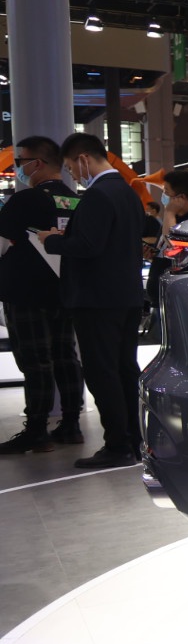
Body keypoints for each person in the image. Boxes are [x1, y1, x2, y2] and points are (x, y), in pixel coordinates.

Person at [37, 133, 146, 469]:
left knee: (102, 372)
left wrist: (51, 241)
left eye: (71, 167)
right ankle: (134, 440)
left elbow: (88, 246)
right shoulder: (127, 192)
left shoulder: (99, 194)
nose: (73, 174)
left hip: (98, 299)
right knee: (124, 369)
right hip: (125, 296)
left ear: (83, 158)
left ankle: (117, 445)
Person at [0, 136, 85, 453]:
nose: (18, 168)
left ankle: (37, 430)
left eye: (20, 162)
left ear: (36, 163)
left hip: (25, 291)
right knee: (66, 356)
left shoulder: (25, 200)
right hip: (65, 291)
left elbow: (1, 243)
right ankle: (71, 425)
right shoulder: (76, 201)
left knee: (35, 360)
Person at [143, 169, 188, 331]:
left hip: (182, 303)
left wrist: (170, 212)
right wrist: (153, 256)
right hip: (161, 300)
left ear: (181, 198)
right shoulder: (173, 218)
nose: (163, 196)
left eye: (166, 192)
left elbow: (174, 246)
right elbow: (165, 251)